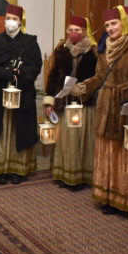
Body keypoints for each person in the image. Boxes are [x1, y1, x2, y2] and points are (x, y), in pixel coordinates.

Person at [72, 7, 128, 213]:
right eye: (107, 25)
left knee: (125, 156)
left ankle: (124, 200)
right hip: (106, 106)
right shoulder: (105, 47)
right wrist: (82, 87)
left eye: (114, 23)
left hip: (127, 108)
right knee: (107, 153)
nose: (110, 28)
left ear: (124, 22)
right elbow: (99, 77)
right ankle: (107, 197)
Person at [0, 4, 42, 184]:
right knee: (0, 129)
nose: (10, 22)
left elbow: (35, 66)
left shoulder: (30, 42)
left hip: (22, 92)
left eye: (14, 19)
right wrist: (5, 73)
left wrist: (19, 72)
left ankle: (18, 170)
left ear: (20, 22)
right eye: (8, 18)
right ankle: (0, 169)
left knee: (19, 129)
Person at [44, 15, 97, 189]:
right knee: (65, 139)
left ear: (84, 31)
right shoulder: (61, 50)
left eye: (77, 30)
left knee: (83, 139)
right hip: (64, 101)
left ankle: (82, 176)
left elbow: (98, 78)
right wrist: (49, 100)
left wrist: (83, 89)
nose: (73, 33)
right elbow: (53, 76)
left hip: (84, 102)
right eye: (71, 30)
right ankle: (64, 173)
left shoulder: (93, 51)